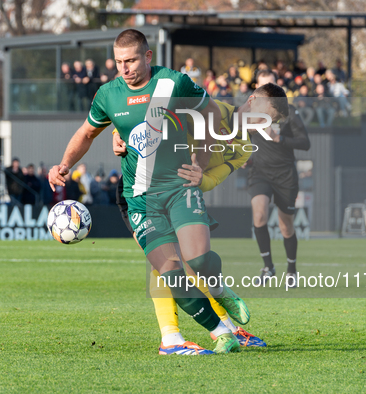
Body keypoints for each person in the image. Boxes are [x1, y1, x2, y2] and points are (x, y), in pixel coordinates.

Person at [48, 28, 249, 355]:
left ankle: (220, 289)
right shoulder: (108, 94)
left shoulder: (174, 83)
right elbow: (86, 133)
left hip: (179, 187)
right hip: (140, 199)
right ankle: (219, 331)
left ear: (148, 56)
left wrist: (203, 161)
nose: (124, 69)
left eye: (130, 61)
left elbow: (211, 115)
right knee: (170, 272)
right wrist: (64, 164)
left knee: (198, 260)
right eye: (118, 62)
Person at [113, 93, 288, 350]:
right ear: (252, 100)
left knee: (192, 263)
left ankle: (225, 329)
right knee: (165, 263)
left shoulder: (243, 148)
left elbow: (213, 179)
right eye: (263, 115)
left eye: (268, 123)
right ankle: (173, 337)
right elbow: (140, 111)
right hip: (140, 188)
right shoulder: (206, 108)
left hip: (181, 193)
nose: (261, 124)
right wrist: (117, 134)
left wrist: (198, 177)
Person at [248, 70, 311, 287]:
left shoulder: (289, 112)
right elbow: (239, 138)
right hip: (260, 173)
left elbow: (305, 142)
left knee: (286, 226)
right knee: (259, 215)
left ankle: (291, 270)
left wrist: (280, 138)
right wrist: (244, 156)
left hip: (285, 175)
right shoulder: (249, 113)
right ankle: (268, 267)